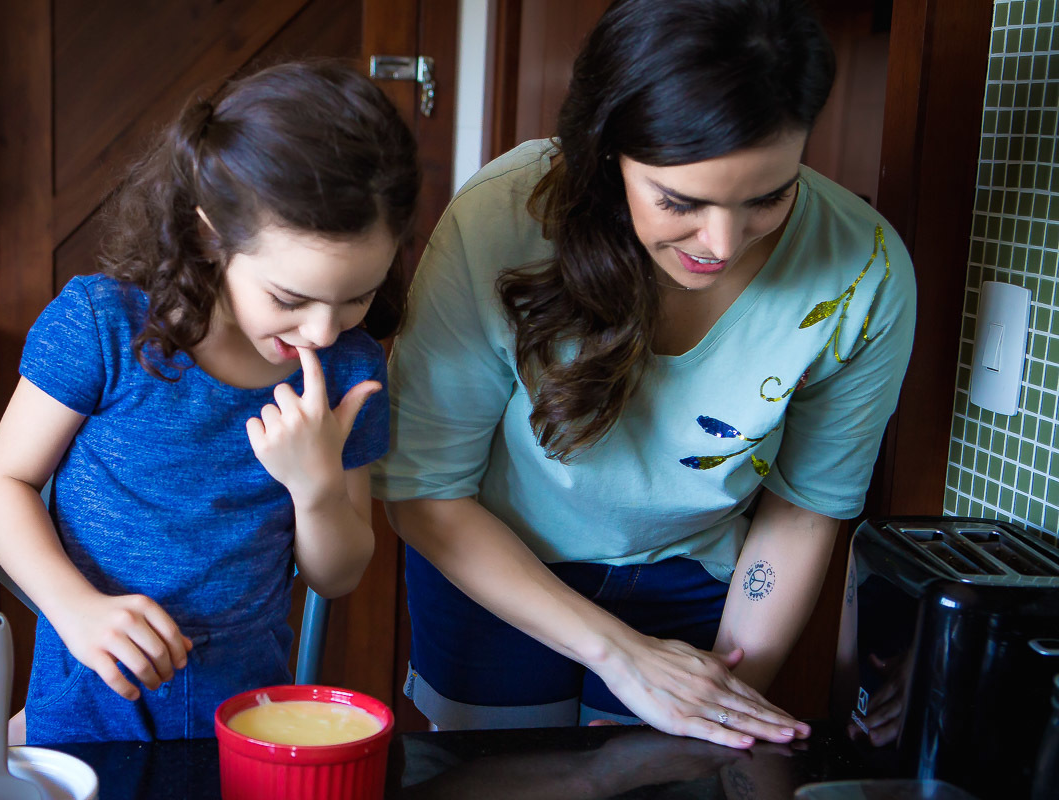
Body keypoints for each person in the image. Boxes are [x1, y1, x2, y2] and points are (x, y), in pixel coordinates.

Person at [373, 0, 915, 750]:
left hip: (696, 579)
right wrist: (620, 655)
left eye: (769, 197)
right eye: (680, 202)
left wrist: (718, 705)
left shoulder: (865, 273)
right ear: (607, 152)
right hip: (496, 562)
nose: (721, 244)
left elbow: (804, 510)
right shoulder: (503, 216)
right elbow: (426, 491)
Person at [0, 61, 419, 743]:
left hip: (247, 709)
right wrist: (76, 609)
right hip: (92, 690)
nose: (324, 331)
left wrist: (317, 487)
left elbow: (338, 575)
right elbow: (1, 484)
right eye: (290, 299)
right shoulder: (103, 326)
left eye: (357, 295)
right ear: (211, 235)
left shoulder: (348, 369)